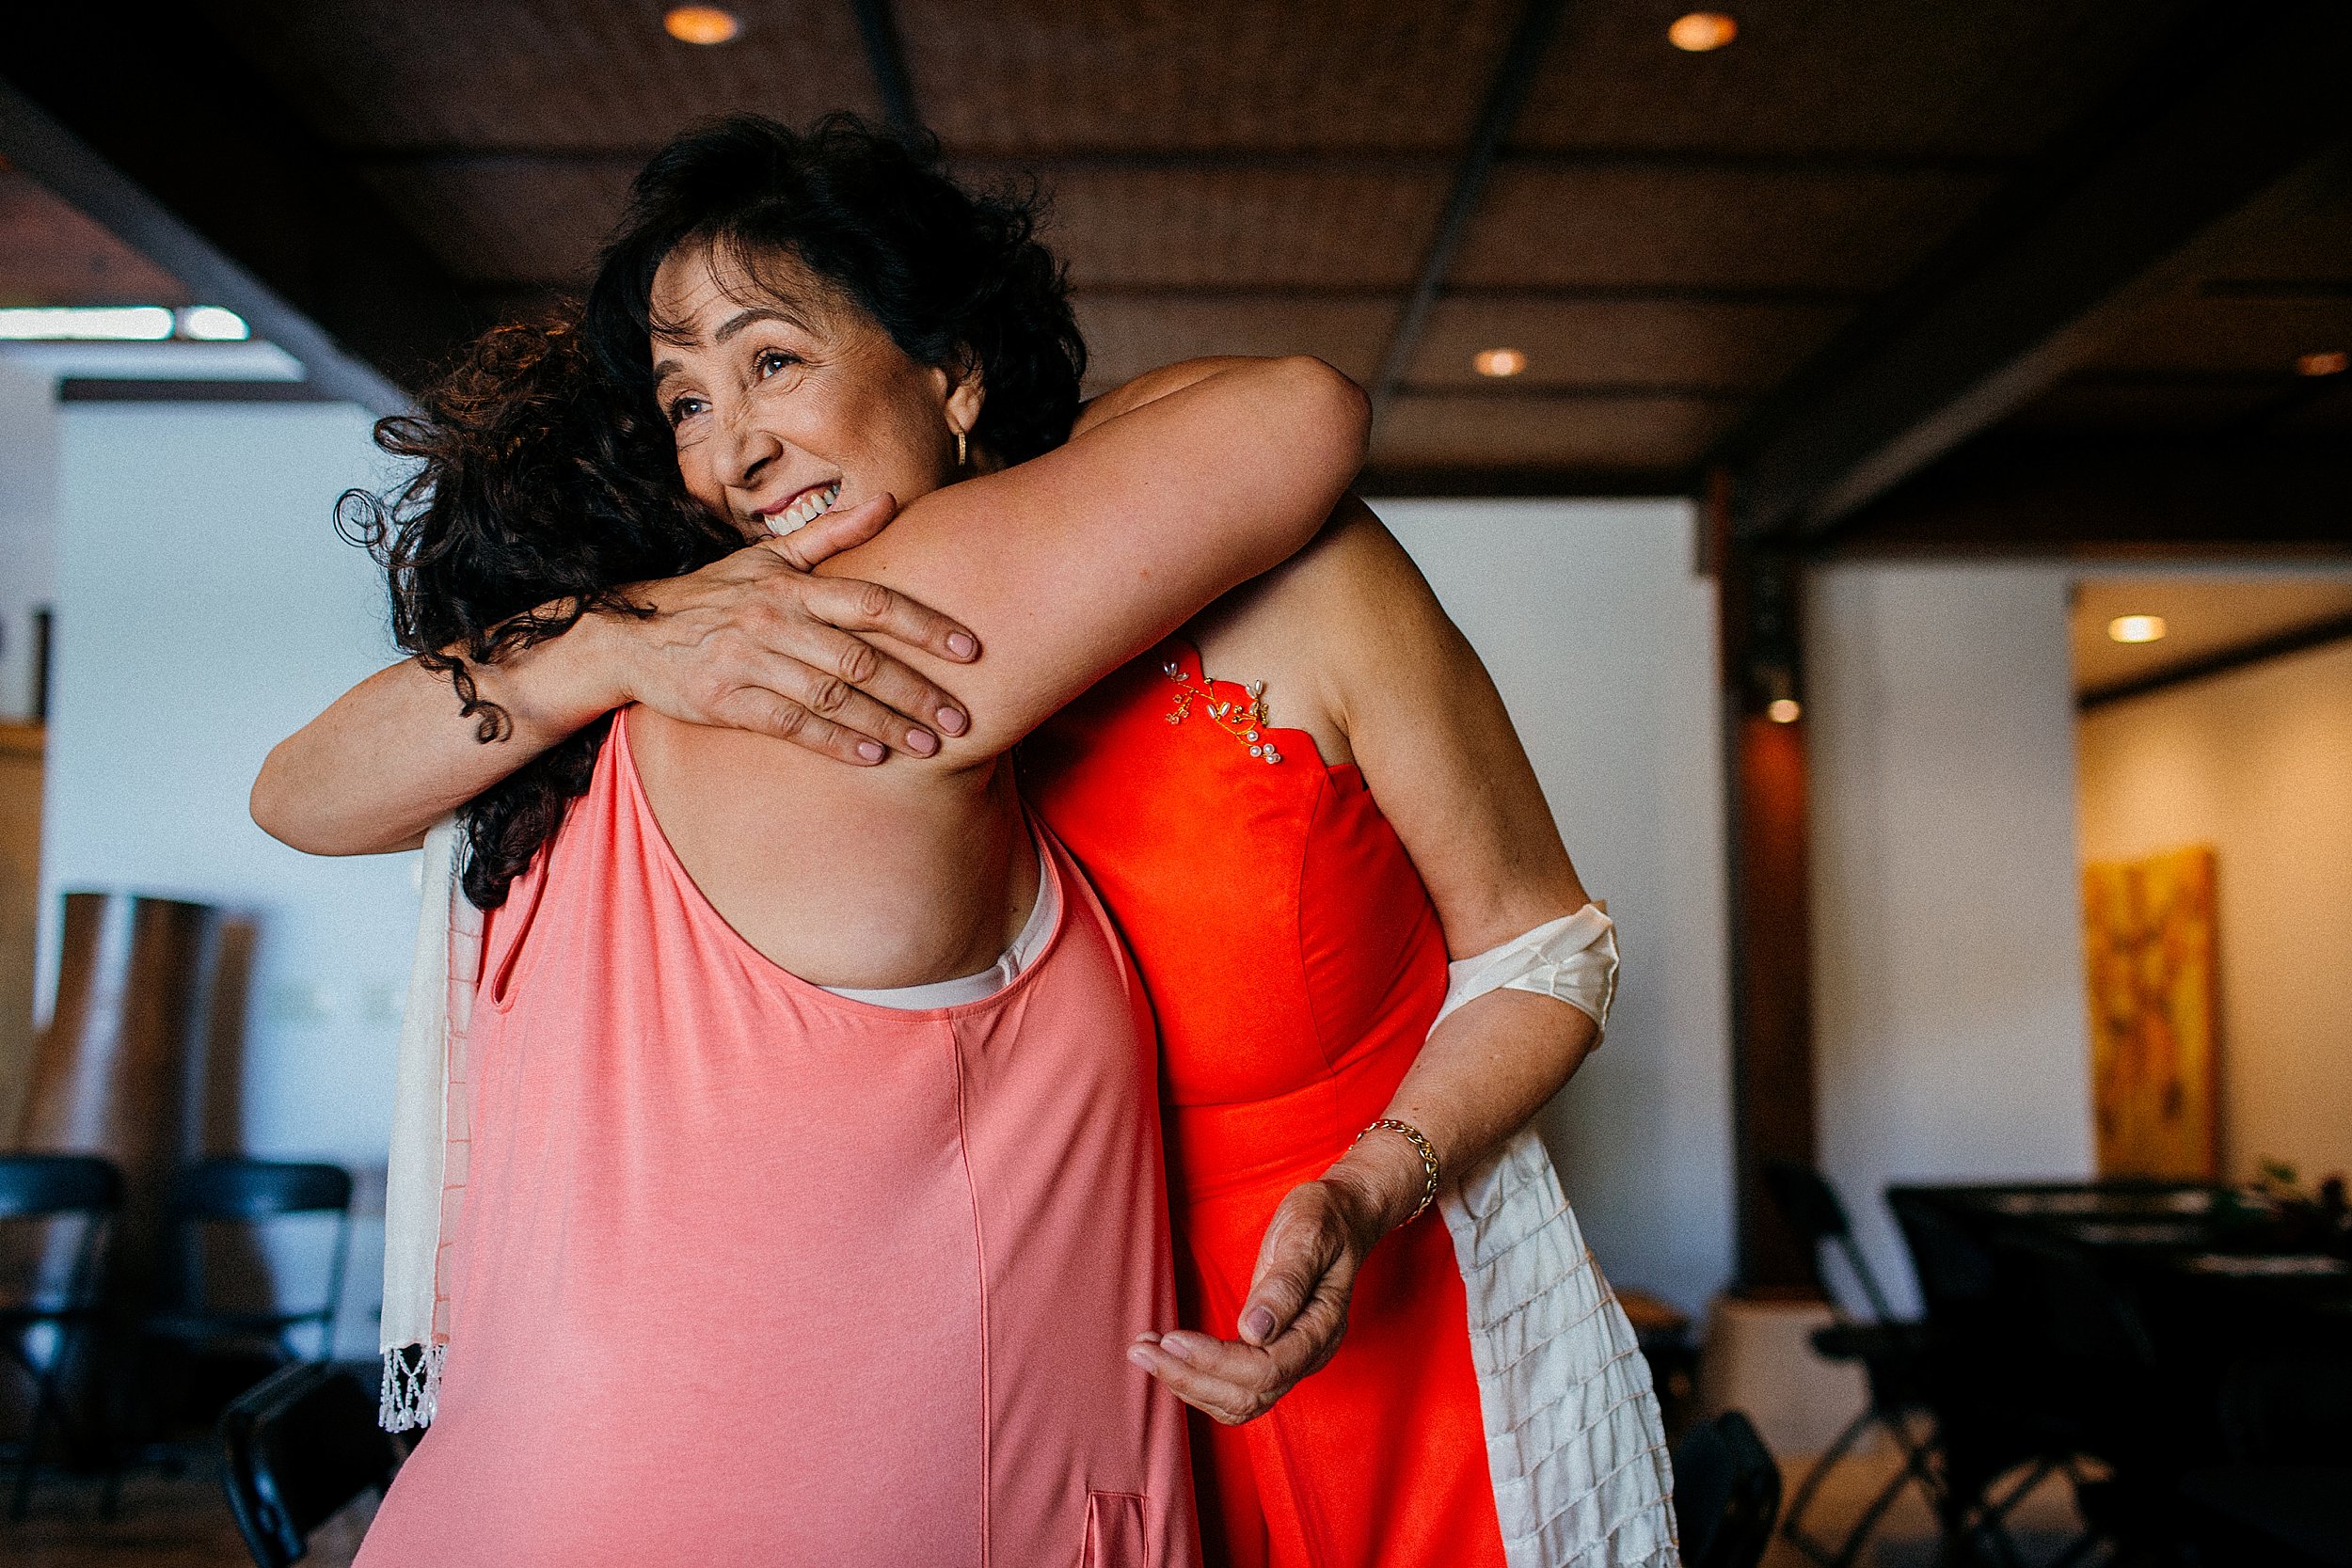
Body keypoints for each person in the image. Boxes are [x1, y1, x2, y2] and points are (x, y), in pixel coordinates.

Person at [258, 117, 1676, 1568]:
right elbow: (303, 792)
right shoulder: (813, 674)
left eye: (773, 362)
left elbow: (1542, 945)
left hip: (1381, 1321)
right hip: (1089, 1388)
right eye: (685, 405)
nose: (733, 449)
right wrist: (622, 636)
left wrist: (1380, 1184)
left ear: (952, 374)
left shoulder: (1285, 575)